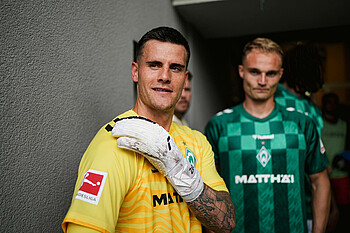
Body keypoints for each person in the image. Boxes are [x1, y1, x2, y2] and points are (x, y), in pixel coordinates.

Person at [62, 26, 235, 233]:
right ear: (135, 71)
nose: (165, 76)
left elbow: (226, 223)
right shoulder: (113, 143)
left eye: (176, 68)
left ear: (185, 78)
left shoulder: (196, 141)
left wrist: (180, 171)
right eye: (154, 65)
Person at [205, 37, 330, 233]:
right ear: (241, 71)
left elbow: (319, 180)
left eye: (270, 73)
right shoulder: (220, 125)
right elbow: (207, 188)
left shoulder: (301, 123)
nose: (262, 81)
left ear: (280, 75)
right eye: (255, 72)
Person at [274, 43, 337, 232]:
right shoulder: (283, 102)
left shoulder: (307, 104)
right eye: (318, 67)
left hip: (306, 195)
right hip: (295, 200)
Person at [322, 92, 350, 233]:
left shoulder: (344, 124)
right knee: (325, 210)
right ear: (324, 104)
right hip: (323, 174)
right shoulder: (319, 123)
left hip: (341, 174)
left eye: (334, 102)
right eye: (329, 102)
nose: (332, 105)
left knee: (343, 211)